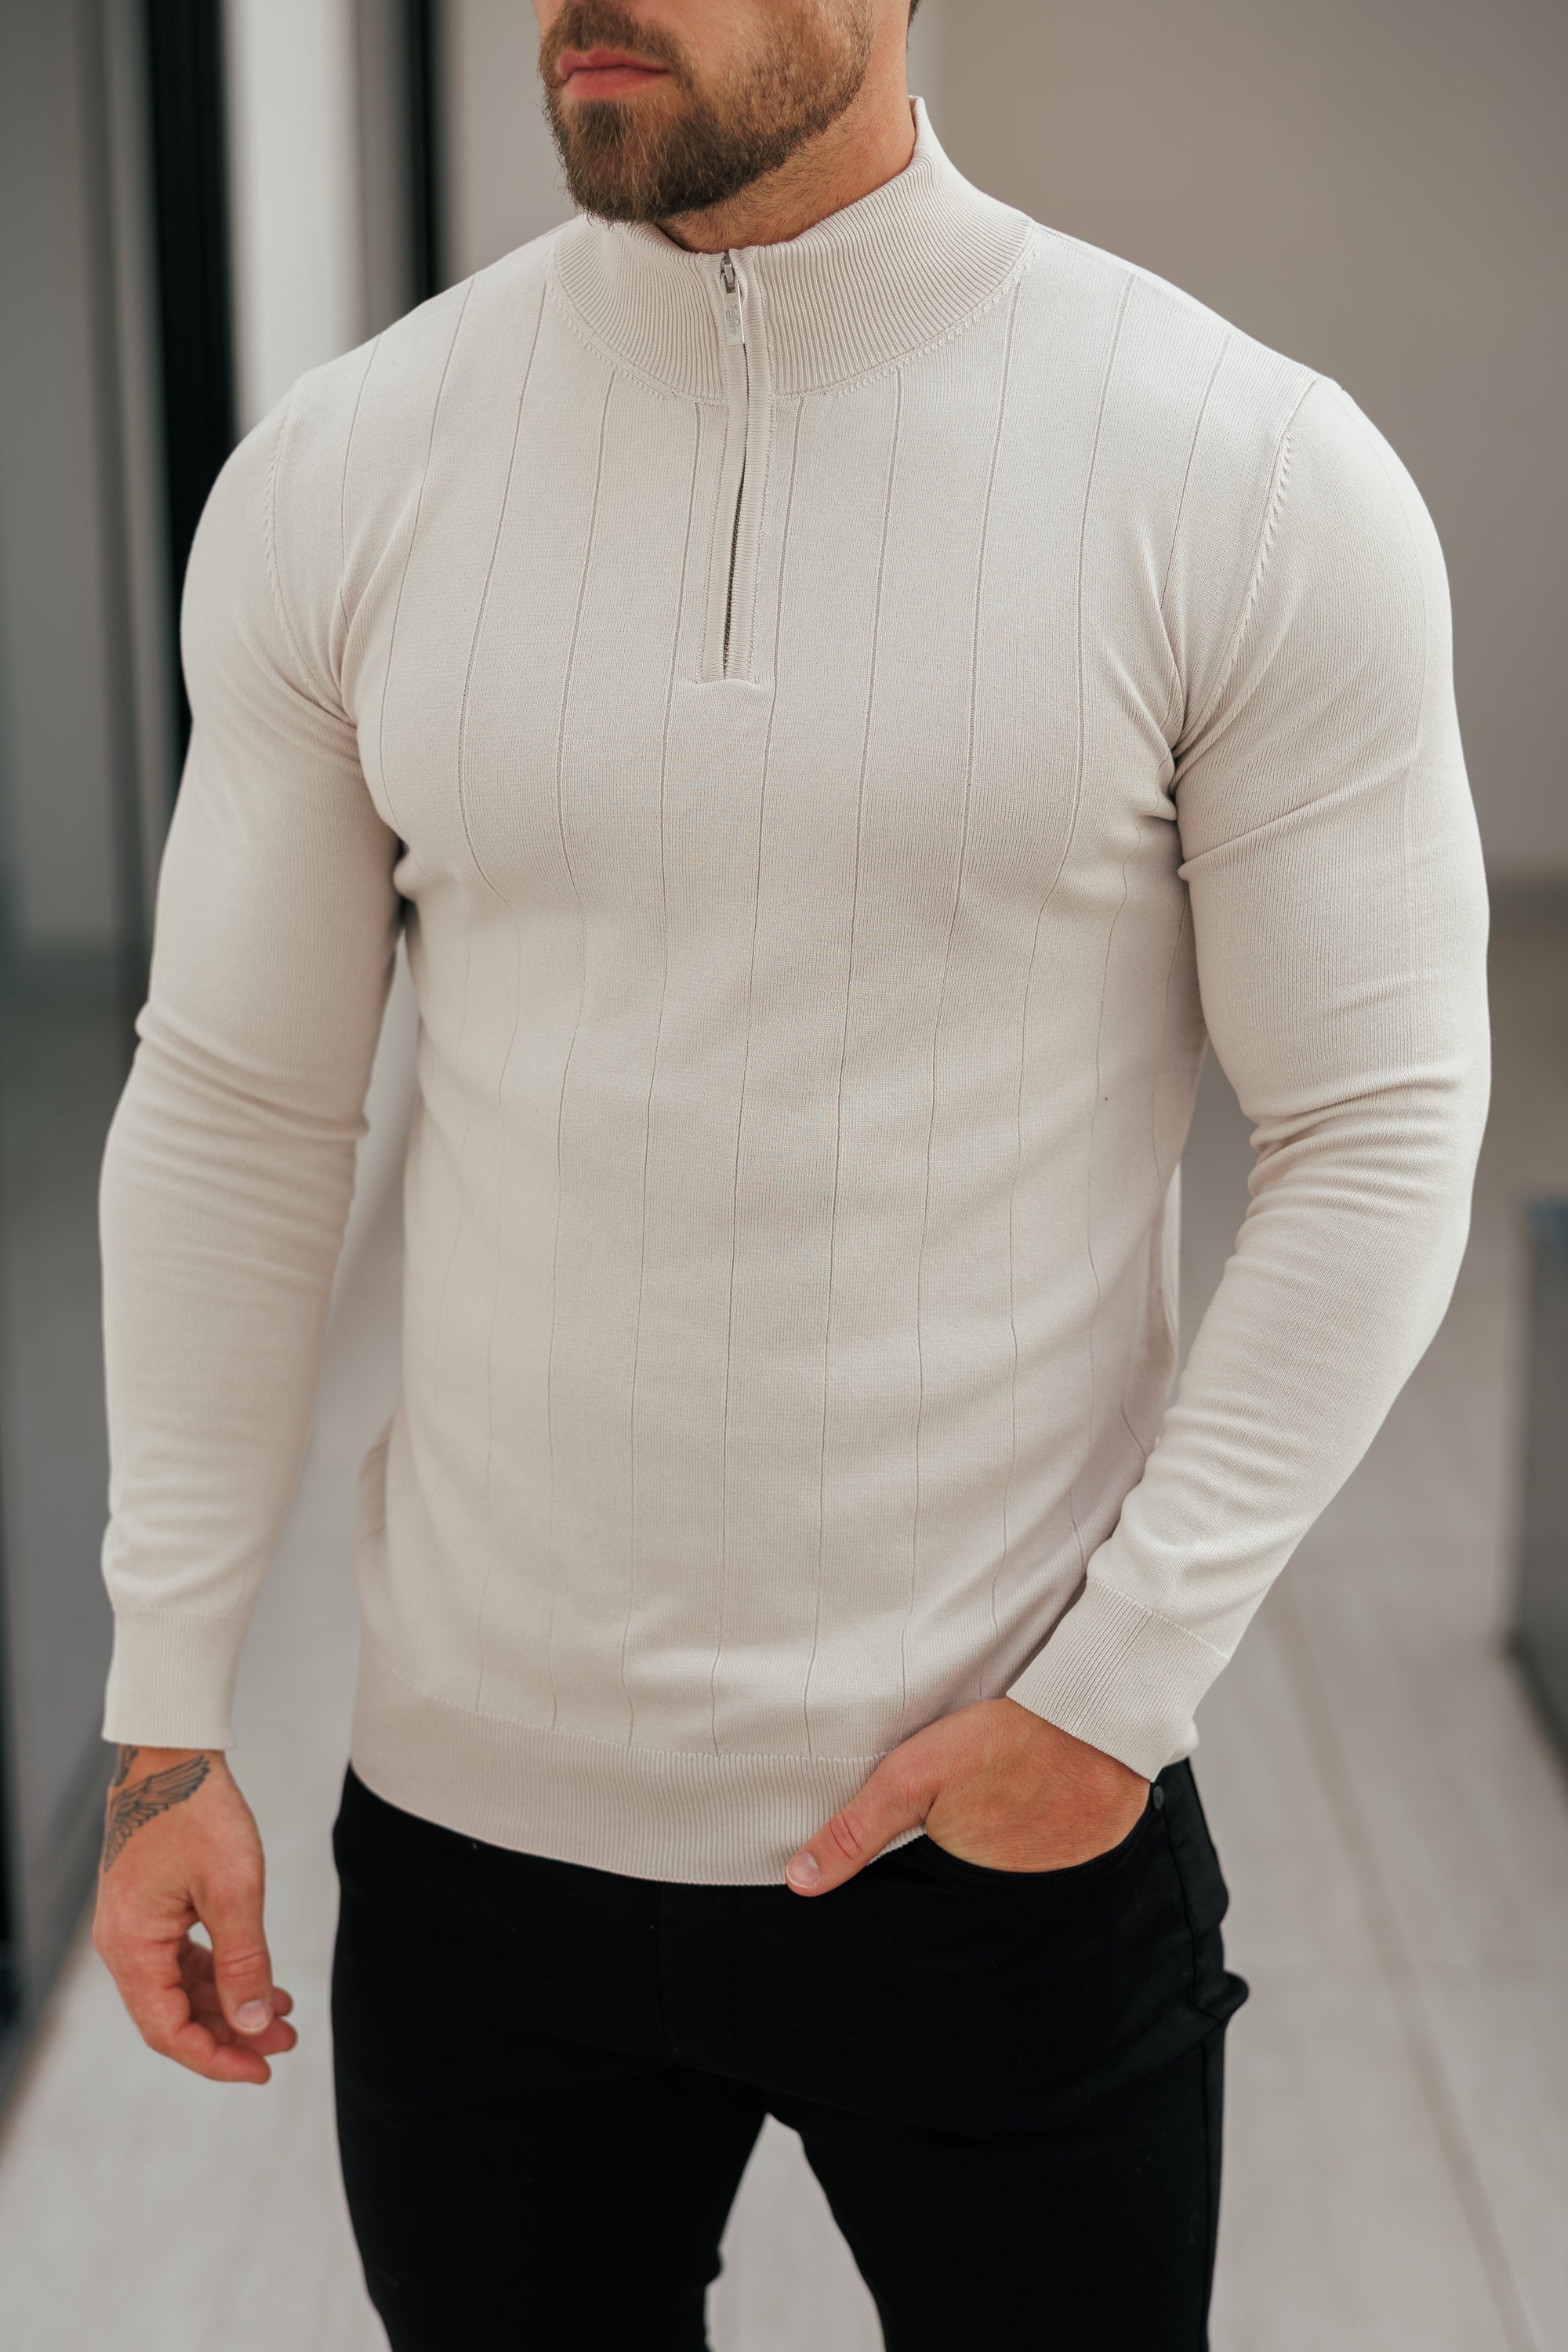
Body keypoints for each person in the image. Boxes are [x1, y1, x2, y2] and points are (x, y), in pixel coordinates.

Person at [90, 2, 1490, 2345]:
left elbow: (1376, 1123)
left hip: (1000, 1827)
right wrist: (164, 1725)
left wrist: (1115, 1696)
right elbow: (237, 1110)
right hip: (472, 1849)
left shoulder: (1240, 469)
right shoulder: (349, 466)